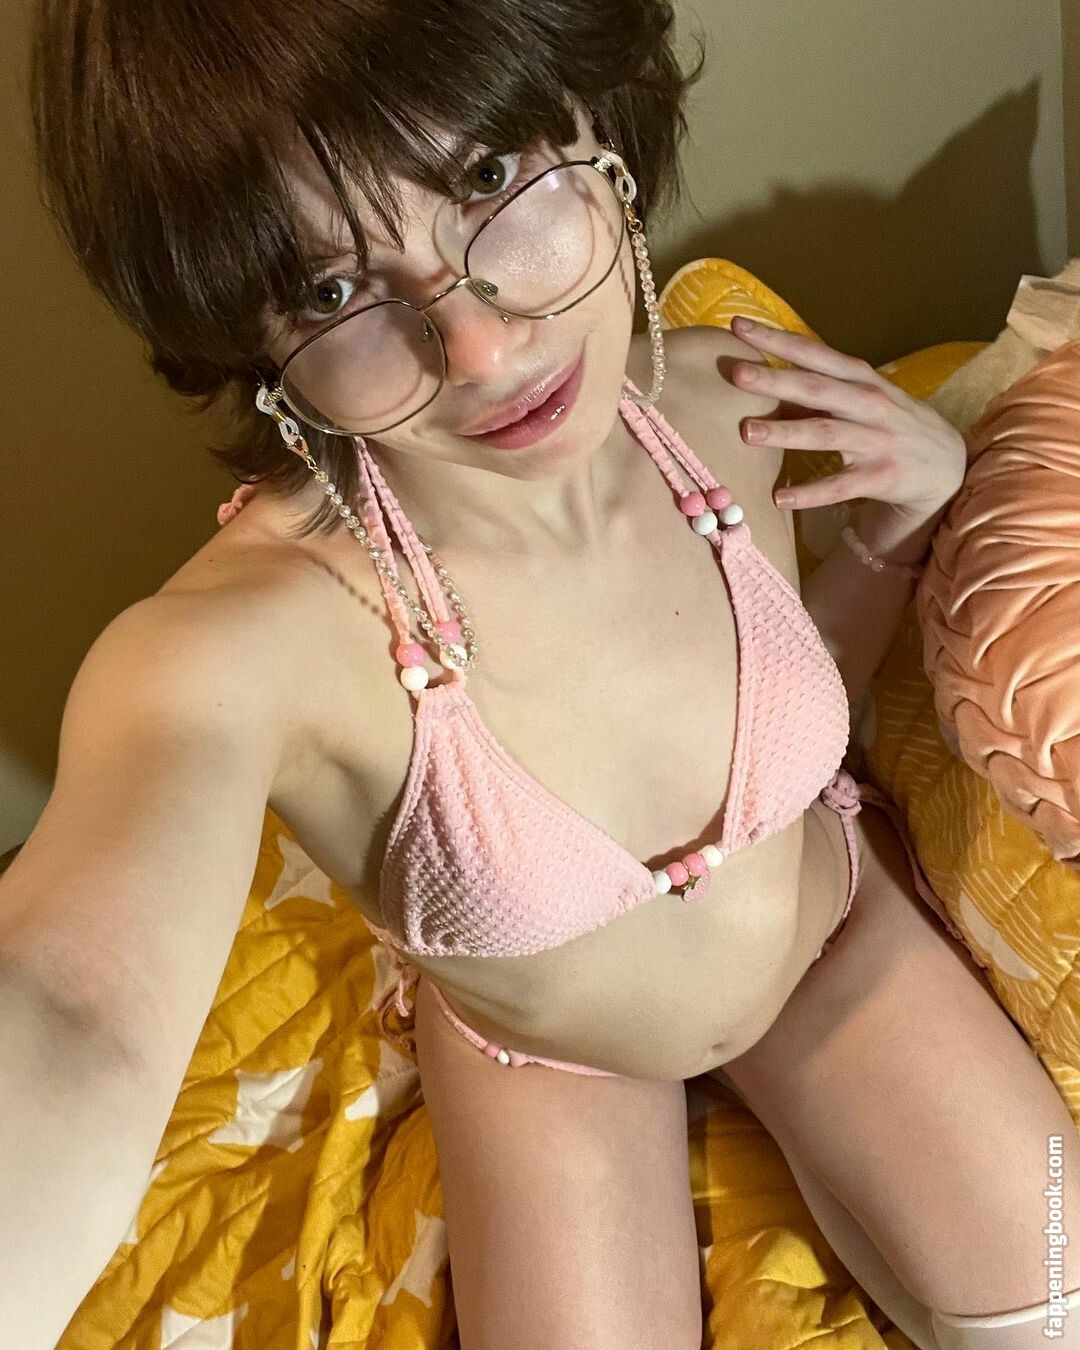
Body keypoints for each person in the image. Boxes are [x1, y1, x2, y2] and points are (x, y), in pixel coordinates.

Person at [6, 0, 1078, 1346]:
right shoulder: (249, 639)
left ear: (596, 119)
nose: (480, 345)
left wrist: (908, 521)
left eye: (487, 177)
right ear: (254, 347)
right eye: (333, 292)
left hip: (829, 941)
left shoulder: (736, 402)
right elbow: (72, 1009)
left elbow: (791, 693)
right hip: (551, 1061)